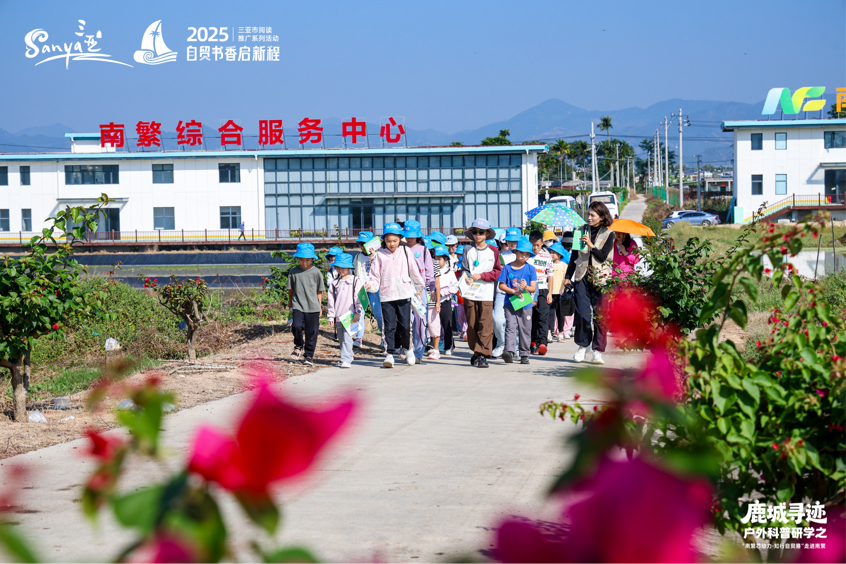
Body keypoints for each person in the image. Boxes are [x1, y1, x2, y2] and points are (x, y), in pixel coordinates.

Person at [366, 223, 426, 368]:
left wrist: (419, 287)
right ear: (384, 241)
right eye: (388, 241)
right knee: (389, 327)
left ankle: (408, 349)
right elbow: (375, 277)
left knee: (405, 326)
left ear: (400, 239)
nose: (392, 244)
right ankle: (390, 354)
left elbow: (414, 271)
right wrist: (370, 285)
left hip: (404, 294)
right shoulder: (380, 255)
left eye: (394, 240)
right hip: (387, 296)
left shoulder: (405, 251)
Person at [564, 201, 616, 365]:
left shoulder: (609, 234)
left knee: (600, 316)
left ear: (602, 217)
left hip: (601, 279)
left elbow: (602, 257)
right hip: (581, 277)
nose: (589, 217)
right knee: (582, 314)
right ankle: (582, 345)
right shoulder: (580, 231)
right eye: (588, 214)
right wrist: (567, 276)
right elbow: (573, 257)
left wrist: (591, 245)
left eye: (593, 215)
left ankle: (598, 351)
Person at [461, 218, 502, 368]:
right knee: (472, 324)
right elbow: (464, 269)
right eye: (475, 232)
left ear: (487, 234)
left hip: (486, 292)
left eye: (481, 232)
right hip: (470, 292)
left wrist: (482, 276)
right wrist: (466, 278)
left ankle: (483, 354)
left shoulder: (493, 251)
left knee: (485, 324)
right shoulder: (467, 250)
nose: (478, 235)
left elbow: (497, 271)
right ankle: (476, 352)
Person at [498, 238, 537, 364]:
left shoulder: (531, 269)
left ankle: (524, 353)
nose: (524, 256)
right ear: (515, 252)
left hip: (526, 304)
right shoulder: (507, 268)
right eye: (521, 253)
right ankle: (509, 351)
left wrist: (525, 287)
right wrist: (513, 291)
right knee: (510, 327)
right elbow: (501, 285)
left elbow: (533, 288)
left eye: (527, 254)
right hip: (510, 303)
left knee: (525, 328)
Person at [286, 242, 325, 367]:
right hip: (298, 304)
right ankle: (298, 344)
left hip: (313, 306)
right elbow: (291, 289)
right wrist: (290, 301)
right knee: (296, 326)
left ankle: (309, 355)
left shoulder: (316, 272)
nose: (304, 262)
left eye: (307, 260)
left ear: (312, 259)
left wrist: (320, 306)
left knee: (312, 332)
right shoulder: (293, 272)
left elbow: (319, 291)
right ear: (297, 258)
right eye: (301, 260)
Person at [402, 220, 434, 364]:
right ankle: (406, 348)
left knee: (420, 322)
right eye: (407, 235)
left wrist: (429, 288)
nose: (409, 238)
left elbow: (429, 272)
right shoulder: (400, 249)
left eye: (412, 235)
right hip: (403, 290)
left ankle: (418, 351)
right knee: (405, 321)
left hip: (419, 292)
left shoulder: (423, 250)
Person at [326, 253, 364, 369]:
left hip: (351, 314)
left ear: (349, 268)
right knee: (341, 338)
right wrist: (331, 316)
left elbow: (360, 298)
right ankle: (349, 355)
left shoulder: (356, 281)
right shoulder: (334, 283)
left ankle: (345, 359)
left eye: (343, 267)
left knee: (347, 337)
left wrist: (358, 312)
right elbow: (331, 302)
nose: (340, 270)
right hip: (338, 315)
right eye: (338, 268)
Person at [491, 227, 521, 359]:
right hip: (502, 292)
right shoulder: (500, 257)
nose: (513, 243)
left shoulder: (525, 255)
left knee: (518, 322)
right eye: (510, 241)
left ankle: (517, 347)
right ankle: (501, 343)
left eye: (515, 240)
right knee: (497, 319)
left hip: (519, 293)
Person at [353, 231, 384, 351]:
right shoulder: (358, 257)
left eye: (365, 243)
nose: (362, 246)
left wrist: (373, 256)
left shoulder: (379, 256)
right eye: (361, 244)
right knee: (359, 312)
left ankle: (384, 336)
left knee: (379, 314)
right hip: (362, 289)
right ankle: (359, 338)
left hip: (375, 289)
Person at [428, 246, 458, 359]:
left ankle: (448, 346)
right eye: (435, 258)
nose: (437, 261)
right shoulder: (431, 271)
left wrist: (444, 291)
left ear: (445, 259)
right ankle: (434, 345)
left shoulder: (450, 271)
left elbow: (455, 286)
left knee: (447, 324)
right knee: (434, 324)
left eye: (439, 259)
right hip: (434, 301)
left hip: (445, 301)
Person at [528, 231, 553, 355]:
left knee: (543, 316)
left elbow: (550, 275)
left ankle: (542, 343)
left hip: (543, 289)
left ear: (542, 243)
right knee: (531, 317)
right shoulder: (527, 256)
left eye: (537, 245)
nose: (535, 248)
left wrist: (550, 293)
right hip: (529, 289)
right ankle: (532, 342)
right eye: (533, 245)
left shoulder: (547, 256)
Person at [547, 242, 574, 342]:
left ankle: (560, 332)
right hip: (551, 292)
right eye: (551, 252)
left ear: (559, 254)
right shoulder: (548, 264)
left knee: (560, 313)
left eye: (554, 253)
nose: (551, 254)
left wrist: (564, 288)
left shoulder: (563, 265)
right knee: (550, 313)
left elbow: (566, 278)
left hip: (561, 293)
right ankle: (549, 332)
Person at [454, 244, 468, 342]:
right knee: (460, 316)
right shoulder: (456, 274)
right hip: (458, 299)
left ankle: (465, 332)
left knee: (467, 316)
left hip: (467, 298)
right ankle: (462, 330)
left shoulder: (468, 276)